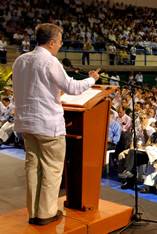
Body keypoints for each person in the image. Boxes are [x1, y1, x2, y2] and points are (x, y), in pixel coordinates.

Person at [12, 23, 100, 226]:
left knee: (33, 169)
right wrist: (91, 79)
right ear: (51, 42)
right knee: (51, 170)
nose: (61, 44)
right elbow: (71, 87)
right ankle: (46, 213)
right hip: (48, 126)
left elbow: (31, 89)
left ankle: (33, 212)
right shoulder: (49, 61)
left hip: (26, 123)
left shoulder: (20, 60)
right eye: (60, 41)